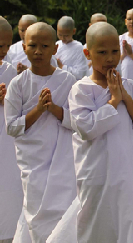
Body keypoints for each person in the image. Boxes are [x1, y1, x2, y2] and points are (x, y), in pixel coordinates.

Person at [49, 22, 133, 243]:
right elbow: (86, 128)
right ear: (88, 53)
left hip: (131, 172)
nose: (110, 58)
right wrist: (114, 100)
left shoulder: (131, 87)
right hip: (98, 174)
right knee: (98, 225)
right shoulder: (81, 89)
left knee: (132, 222)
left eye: (115, 51)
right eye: (102, 52)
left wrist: (124, 95)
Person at [4, 22, 77, 243]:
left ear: (55, 49)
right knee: (35, 212)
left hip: (62, 160)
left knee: (62, 211)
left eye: (44, 46)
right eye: (32, 45)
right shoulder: (18, 84)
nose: (38, 51)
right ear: (23, 47)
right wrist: (38, 110)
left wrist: (54, 109)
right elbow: (12, 127)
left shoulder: (67, 80)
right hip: (32, 163)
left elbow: (76, 121)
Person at [0, 18, 23, 243]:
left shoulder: (9, 72)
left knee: (8, 190)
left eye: (7, 46)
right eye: (0, 46)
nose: (5, 51)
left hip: (7, 145)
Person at [55, 16, 88, 80]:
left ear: (73, 31)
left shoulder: (79, 47)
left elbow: (80, 74)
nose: (63, 38)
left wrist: (62, 67)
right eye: (60, 35)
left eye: (66, 35)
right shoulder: (57, 44)